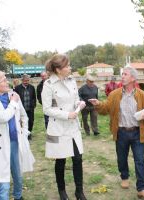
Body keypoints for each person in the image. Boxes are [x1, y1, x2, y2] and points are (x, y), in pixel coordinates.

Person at [89, 66, 144, 199]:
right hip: (121, 132)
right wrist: (98, 104)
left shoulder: (142, 95)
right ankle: (124, 177)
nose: (122, 76)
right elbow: (105, 109)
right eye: (122, 74)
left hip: (137, 132)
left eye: (125, 74)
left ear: (133, 78)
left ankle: (142, 188)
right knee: (121, 158)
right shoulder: (114, 94)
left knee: (139, 160)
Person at [0, 69, 35, 200]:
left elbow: (23, 116)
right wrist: (13, 103)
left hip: (15, 142)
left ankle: (18, 196)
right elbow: (3, 117)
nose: (7, 81)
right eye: (4, 80)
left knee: (18, 174)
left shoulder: (12, 95)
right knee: (3, 181)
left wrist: (24, 133)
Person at [41, 54, 87, 200]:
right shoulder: (48, 85)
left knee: (78, 159)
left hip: (73, 128)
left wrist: (79, 104)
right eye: (67, 66)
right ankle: (62, 192)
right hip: (57, 128)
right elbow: (46, 109)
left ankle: (79, 191)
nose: (70, 68)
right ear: (58, 69)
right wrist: (67, 114)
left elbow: (75, 100)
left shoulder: (72, 80)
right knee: (60, 160)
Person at [15, 74, 36, 140]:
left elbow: (34, 97)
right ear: (22, 80)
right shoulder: (17, 88)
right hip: (21, 109)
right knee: (22, 121)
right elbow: (15, 98)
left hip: (30, 108)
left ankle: (29, 133)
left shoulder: (32, 87)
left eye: (27, 80)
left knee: (31, 121)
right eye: (25, 81)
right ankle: (22, 133)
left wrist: (33, 105)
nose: (26, 82)